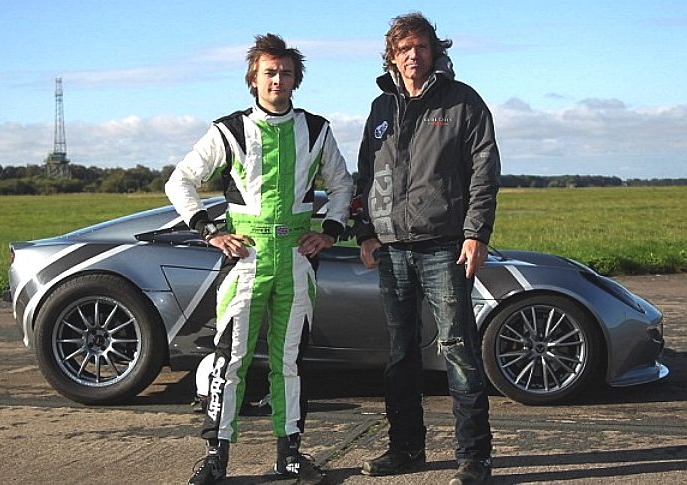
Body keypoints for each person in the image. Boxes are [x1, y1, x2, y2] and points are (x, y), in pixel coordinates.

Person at [165, 33, 353, 485]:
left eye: (286, 73)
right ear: (254, 78)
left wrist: (327, 230)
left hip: (295, 260)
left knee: (289, 362)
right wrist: (209, 231)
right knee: (231, 360)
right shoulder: (228, 129)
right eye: (269, 72)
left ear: (296, 80)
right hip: (245, 260)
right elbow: (180, 182)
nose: (278, 80)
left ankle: (290, 456)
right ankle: (215, 457)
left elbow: (344, 185)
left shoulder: (317, 128)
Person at [354, 13, 501, 485]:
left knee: (459, 349)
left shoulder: (463, 102)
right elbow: (365, 175)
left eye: (420, 47)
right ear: (392, 57)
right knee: (400, 355)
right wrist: (365, 232)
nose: (412, 56)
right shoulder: (380, 108)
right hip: (393, 250)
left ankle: (473, 458)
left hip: (445, 247)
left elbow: (484, 171)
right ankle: (406, 449)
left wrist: (476, 232)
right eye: (403, 49)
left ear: (435, 50)